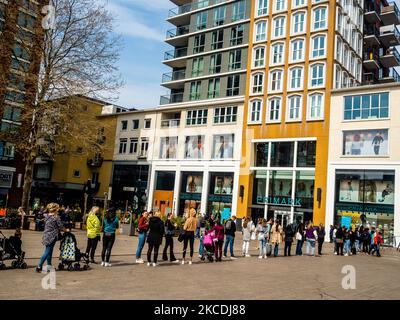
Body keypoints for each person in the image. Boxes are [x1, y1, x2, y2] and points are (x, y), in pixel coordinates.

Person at [36, 203, 64, 273]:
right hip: (52, 236)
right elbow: (61, 226)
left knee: (49, 251)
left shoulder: (47, 216)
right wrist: (66, 230)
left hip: (46, 235)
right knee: (47, 251)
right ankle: (39, 266)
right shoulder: (56, 217)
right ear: (55, 209)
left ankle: (49, 265)